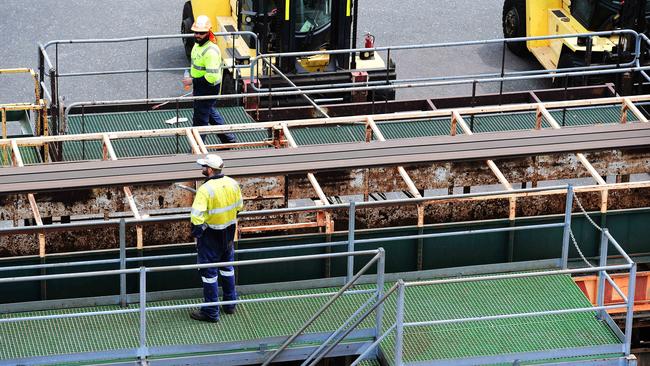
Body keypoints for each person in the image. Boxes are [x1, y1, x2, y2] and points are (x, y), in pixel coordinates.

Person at [189, 154, 243, 322]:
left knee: (209, 274)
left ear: (210, 170)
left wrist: (198, 232)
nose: (202, 169)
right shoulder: (233, 184)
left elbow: (196, 217)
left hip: (211, 236)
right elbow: (239, 207)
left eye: (204, 167)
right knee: (227, 268)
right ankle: (230, 304)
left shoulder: (205, 189)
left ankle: (211, 312)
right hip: (228, 234)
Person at [186, 15, 236, 144]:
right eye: (196, 32)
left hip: (207, 87)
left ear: (208, 32)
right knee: (209, 112)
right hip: (201, 85)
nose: (198, 35)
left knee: (200, 118)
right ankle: (228, 138)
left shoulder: (211, 51)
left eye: (201, 33)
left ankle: (197, 146)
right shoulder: (199, 45)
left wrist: (193, 82)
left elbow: (212, 77)